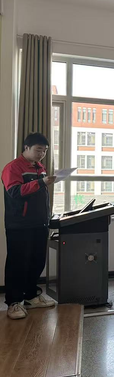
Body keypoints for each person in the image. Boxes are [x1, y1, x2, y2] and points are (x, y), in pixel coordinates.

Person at [2, 133, 57, 320]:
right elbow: (15, 192)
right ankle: (14, 302)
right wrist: (41, 182)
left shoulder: (39, 167)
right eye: (38, 150)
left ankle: (31, 296)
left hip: (40, 222)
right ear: (26, 148)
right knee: (18, 263)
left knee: (37, 261)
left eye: (45, 151)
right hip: (19, 224)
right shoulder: (13, 167)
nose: (42, 154)